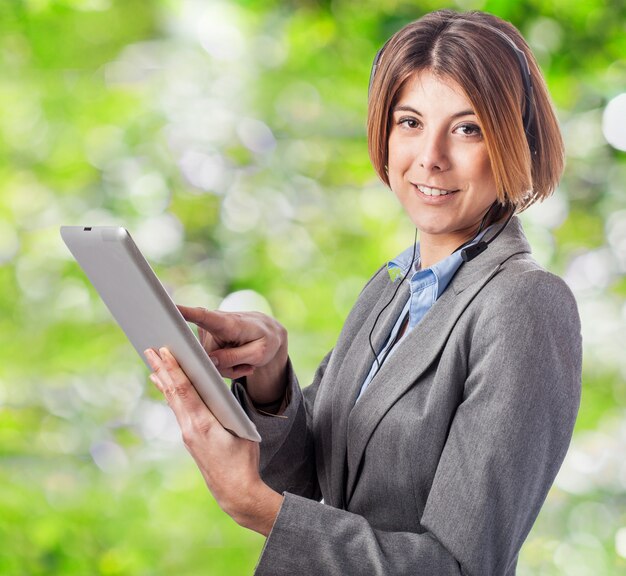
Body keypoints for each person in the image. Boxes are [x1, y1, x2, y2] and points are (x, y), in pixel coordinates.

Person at [144, 9, 582, 576]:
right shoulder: (393, 288)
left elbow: (457, 568)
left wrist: (253, 508)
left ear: (514, 142)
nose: (431, 156)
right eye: (410, 122)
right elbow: (307, 477)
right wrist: (271, 376)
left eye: (467, 128)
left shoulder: (524, 305)